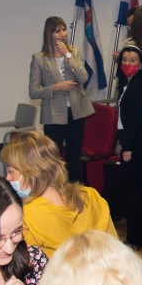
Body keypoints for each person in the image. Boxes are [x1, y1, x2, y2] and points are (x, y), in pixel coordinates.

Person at [0, 130, 117, 258]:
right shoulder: (91, 196)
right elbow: (114, 247)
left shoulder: (27, 216)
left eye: (11, 171)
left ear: (30, 172)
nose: (7, 178)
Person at [28, 16, 94, 183]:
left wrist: (68, 55)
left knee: (74, 156)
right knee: (53, 158)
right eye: (57, 31)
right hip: (53, 114)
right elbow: (33, 92)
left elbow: (84, 77)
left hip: (76, 112)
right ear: (49, 34)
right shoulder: (39, 58)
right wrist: (56, 87)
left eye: (64, 29)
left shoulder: (74, 52)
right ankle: (56, 190)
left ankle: (74, 190)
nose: (62, 34)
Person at [115, 46, 142, 249]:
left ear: (140, 64)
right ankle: (138, 236)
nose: (128, 64)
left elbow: (137, 120)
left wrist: (128, 147)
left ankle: (136, 238)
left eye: (132, 60)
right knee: (133, 191)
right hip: (130, 141)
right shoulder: (127, 84)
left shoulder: (139, 86)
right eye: (124, 59)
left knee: (135, 193)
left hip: (137, 144)